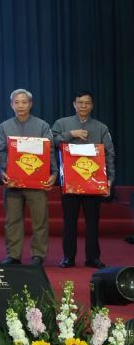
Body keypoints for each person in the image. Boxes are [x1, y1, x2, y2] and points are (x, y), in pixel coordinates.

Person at [53, 91, 115, 268]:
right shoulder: (62, 123)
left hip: (93, 182)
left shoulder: (101, 127)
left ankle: (92, 258)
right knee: (69, 222)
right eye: (80, 102)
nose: (83, 106)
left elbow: (109, 154)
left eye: (87, 103)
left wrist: (109, 179)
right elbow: (51, 142)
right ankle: (68, 257)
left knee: (93, 222)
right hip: (70, 182)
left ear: (92, 105)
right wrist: (70, 133)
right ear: (74, 104)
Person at [0, 89, 56, 266]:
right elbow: (1, 151)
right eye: (17, 102)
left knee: (40, 220)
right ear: (11, 105)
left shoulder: (42, 126)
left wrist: (53, 173)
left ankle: (38, 255)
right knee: (12, 220)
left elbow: (49, 151)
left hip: (37, 183)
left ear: (30, 104)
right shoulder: (4, 126)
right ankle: (13, 255)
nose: (20, 105)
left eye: (24, 102)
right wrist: (2, 171)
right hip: (13, 182)